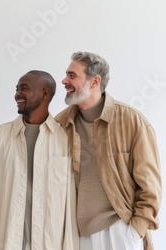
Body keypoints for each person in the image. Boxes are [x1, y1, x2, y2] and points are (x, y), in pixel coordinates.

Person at [55, 51, 161, 250]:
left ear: (95, 81)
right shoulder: (60, 124)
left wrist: (135, 231)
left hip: (119, 230)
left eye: (72, 75)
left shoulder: (131, 121)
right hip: (74, 234)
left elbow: (150, 186)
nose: (64, 81)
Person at [0, 70, 78, 249]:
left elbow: (71, 202)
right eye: (17, 89)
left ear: (45, 93)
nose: (17, 94)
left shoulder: (66, 138)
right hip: (5, 242)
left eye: (24, 88)